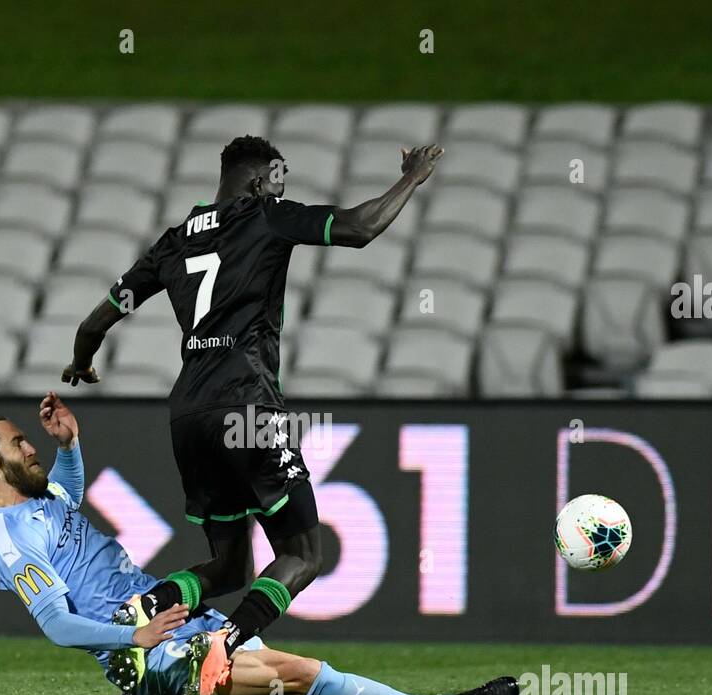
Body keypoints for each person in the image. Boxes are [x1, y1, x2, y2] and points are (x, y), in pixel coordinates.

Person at [61, 136, 444, 661]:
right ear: (261, 177)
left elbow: (93, 322)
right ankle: (226, 645)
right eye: (280, 175)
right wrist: (412, 179)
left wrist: (81, 363)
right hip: (247, 411)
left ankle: (144, 611)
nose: (284, 185)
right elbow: (360, 228)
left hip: (188, 418)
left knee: (227, 568)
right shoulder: (266, 215)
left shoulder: (172, 243)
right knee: (304, 555)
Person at [0, 392, 519, 695]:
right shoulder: (8, 540)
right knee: (305, 677)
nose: (29, 447)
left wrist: (70, 446)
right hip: (147, 650)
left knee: (276, 688)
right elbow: (60, 626)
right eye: (19, 445)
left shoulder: (37, 502)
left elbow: (68, 494)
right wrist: (133, 642)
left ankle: (234, 689)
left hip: (171, 622)